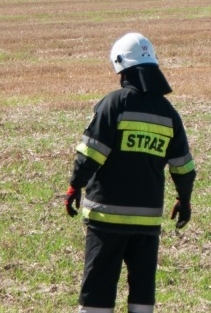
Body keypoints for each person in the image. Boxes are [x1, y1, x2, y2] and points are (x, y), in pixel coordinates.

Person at [64, 32, 197, 313]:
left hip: (106, 217)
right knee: (142, 292)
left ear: (121, 67)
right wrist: (184, 200)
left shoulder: (113, 104)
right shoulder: (168, 112)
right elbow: (183, 167)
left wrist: (74, 186)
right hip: (147, 220)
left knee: (98, 289)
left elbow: (91, 154)